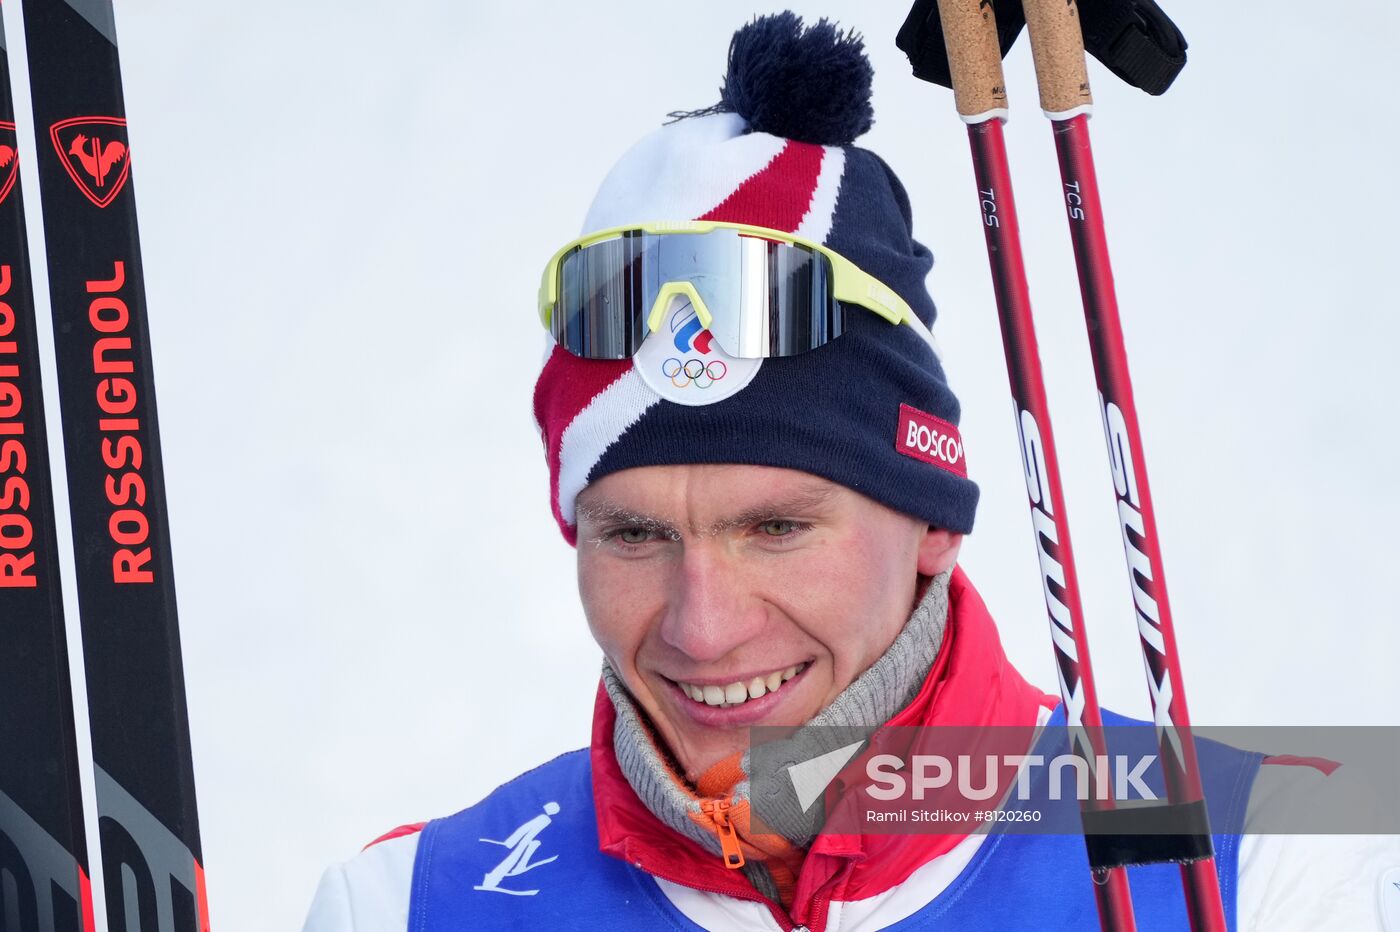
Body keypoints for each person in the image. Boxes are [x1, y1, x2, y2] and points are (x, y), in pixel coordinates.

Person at [303, 12, 1398, 931]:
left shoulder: (1274, 867)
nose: (703, 626)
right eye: (634, 533)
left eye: (775, 526)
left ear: (929, 516)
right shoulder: (408, 902)